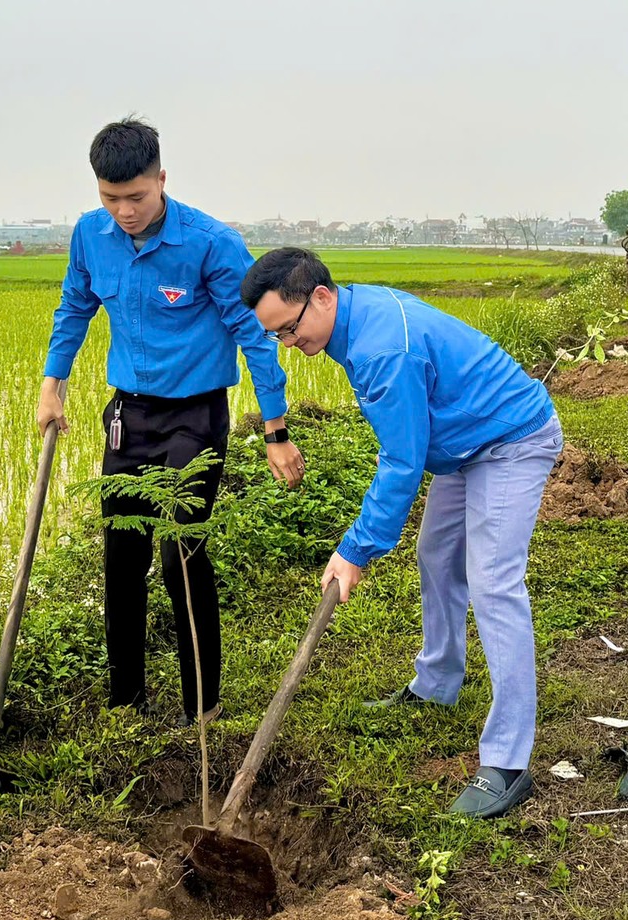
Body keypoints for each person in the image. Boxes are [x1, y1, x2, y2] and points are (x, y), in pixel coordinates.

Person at [240, 247, 560, 819]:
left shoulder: (381, 348)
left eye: (288, 329)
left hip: (510, 439)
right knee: (436, 554)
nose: (287, 344)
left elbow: (402, 462)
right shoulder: (353, 314)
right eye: (276, 336)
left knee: (493, 583)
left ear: (321, 297)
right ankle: (437, 681)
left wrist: (355, 549)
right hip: (464, 445)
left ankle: (508, 762)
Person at [40, 118, 306, 725]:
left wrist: (276, 430)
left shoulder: (210, 244)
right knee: (121, 558)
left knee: (181, 555)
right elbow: (75, 307)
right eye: (111, 198)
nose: (125, 212)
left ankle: (202, 708)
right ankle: (126, 704)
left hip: (195, 417)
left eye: (136, 196)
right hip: (128, 416)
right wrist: (52, 387)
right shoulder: (90, 236)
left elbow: (255, 335)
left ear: (161, 179)